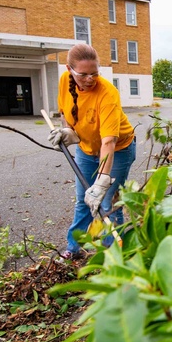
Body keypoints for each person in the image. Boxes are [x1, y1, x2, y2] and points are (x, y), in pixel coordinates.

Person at [50, 43, 136, 258]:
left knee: (107, 202)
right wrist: (69, 131)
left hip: (119, 149)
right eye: (83, 74)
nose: (89, 79)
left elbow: (109, 141)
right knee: (83, 199)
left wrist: (102, 181)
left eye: (94, 73)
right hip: (86, 148)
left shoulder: (107, 92)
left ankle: (113, 253)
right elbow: (65, 111)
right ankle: (74, 248)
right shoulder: (64, 81)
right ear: (69, 70)